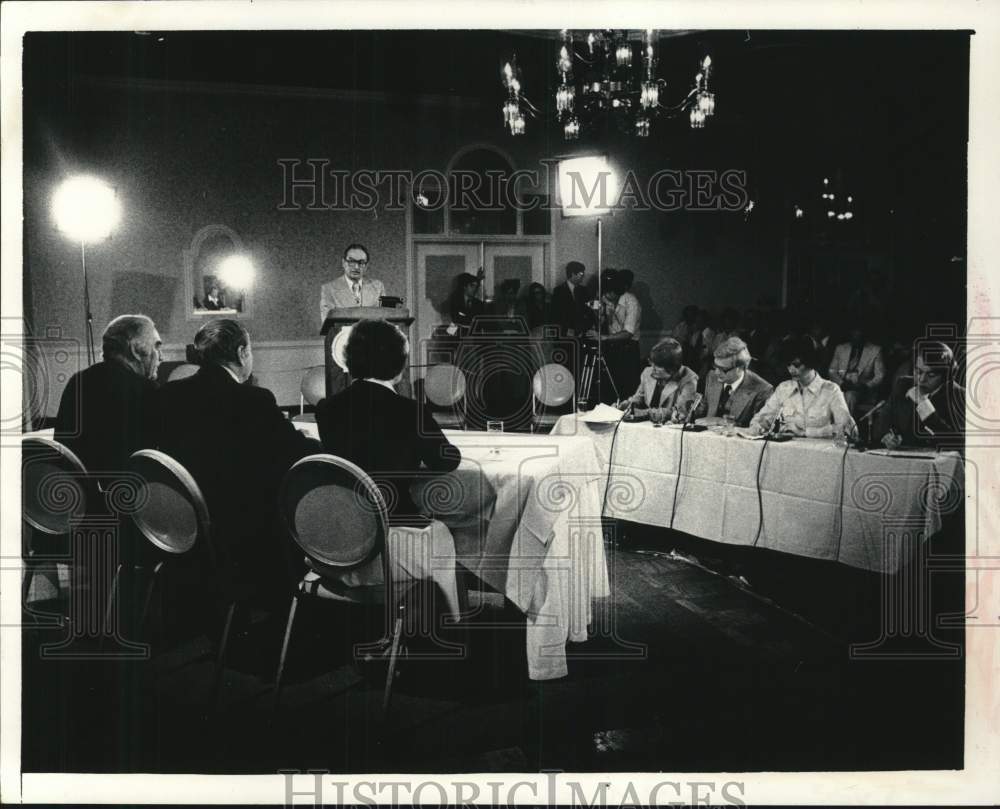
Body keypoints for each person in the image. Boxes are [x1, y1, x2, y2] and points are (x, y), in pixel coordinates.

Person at [157, 319, 316, 604]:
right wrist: (311, 441)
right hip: (242, 528)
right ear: (242, 352)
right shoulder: (254, 399)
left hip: (182, 521)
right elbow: (293, 453)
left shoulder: (167, 396)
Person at [315, 319, 465, 615]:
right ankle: (454, 621)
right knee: (447, 532)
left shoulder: (327, 410)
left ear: (349, 361)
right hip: (391, 543)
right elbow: (447, 459)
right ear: (399, 366)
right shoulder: (410, 411)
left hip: (342, 542)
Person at [54, 314, 162, 486]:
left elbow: (63, 450)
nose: (160, 356)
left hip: (77, 496)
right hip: (129, 501)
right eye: (156, 347)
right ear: (135, 350)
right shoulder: (147, 390)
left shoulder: (78, 381)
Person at [749, 337, 855, 438]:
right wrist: (758, 427)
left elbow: (847, 429)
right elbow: (761, 419)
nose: (791, 370)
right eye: (788, 365)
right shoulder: (783, 389)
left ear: (811, 363)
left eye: (797, 365)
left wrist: (805, 433)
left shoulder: (831, 390)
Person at [876, 341, 964, 449]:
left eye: (931, 375)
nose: (921, 379)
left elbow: (958, 442)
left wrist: (924, 405)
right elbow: (882, 422)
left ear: (946, 377)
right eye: (918, 371)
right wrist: (887, 436)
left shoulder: (959, 395)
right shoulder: (903, 384)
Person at [694, 336, 773, 427]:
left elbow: (758, 427)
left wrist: (721, 421)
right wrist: (687, 413)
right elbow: (703, 409)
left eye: (723, 369)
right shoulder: (712, 377)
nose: (716, 372)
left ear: (741, 368)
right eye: (715, 366)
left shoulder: (762, 390)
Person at [615, 337, 698, 421]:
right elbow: (639, 397)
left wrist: (646, 413)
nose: (652, 369)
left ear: (671, 369)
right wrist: (628, 404)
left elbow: (680, 412)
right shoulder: (647, 373)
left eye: (657, 366)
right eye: (652, 364)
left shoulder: (689, 379)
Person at [595, 271, 642, 402]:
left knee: (627, 389)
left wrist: (603, 338)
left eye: (608, 294)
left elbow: (628, 333)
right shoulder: (606, 299)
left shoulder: (631, 302)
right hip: (611, 347)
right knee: (610, 386)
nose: (605, 296)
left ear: (616, 292)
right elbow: (603, 323)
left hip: (628, 349)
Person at [828, 320, 886, 415]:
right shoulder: (841, 348)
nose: (856, 337)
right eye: (854, 335)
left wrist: (866, 386)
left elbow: (880, 375)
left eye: (859, 335)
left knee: (850, 396)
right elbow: (832, 371)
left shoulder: (875, 350)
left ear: (864, 336)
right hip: (841, 387)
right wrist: (841, 384)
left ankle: (846, 428)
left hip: (863, 390)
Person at [319, 243, 386, 324]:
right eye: (351, 261)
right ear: (343, 263)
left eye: (361, 262)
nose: (356, 267)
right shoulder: (329, 289)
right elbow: (327, 324)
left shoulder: (378, 287)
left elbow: (385, 319)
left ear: (367, 266)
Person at [550, 260, 593, 338]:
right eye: (581, 274)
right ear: (573, 274)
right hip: (567, 336)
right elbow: (556, 315)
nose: (583, 276)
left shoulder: (584, 290)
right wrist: (566, 330)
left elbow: (588, 310)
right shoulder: (558, 291)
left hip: (583, 334)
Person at [446, 270, 486, 336]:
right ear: (465, 287)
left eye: (476, 286)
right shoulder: (456, 301)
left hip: (474, 338)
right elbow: (455, 319)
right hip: (457, 336)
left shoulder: (479, 304)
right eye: (472, 286)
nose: (475, 289)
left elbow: (480, 323)